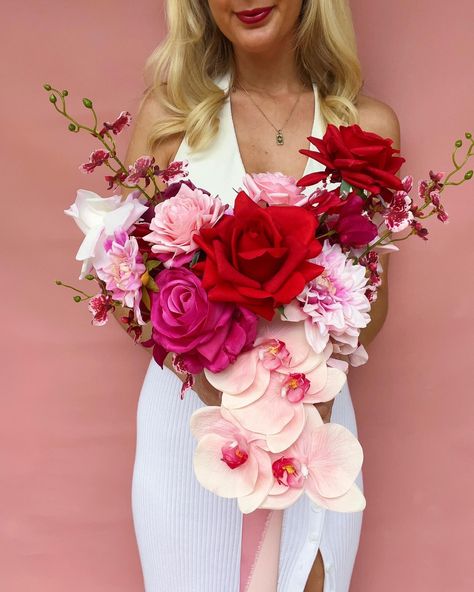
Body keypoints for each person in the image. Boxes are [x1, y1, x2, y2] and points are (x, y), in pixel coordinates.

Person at [116, 1, 400, 590]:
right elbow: (129, 285)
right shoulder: (168, 119)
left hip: (313, 419)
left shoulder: (367, 128)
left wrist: (305, 324)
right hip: (188, 427)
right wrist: (210, 333)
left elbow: (374, 306)